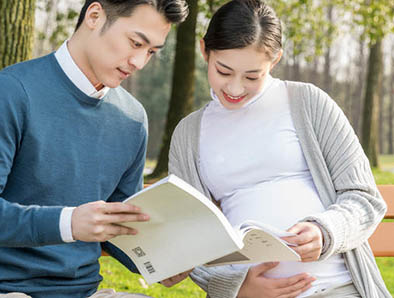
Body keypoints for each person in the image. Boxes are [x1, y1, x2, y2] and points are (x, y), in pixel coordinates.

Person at [0, 1, 188, 297]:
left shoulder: (132, 118)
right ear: (95, 16)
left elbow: (119, 226)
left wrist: (158, 261)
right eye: (135, 43)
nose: (139, 62)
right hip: (2, 290)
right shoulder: (12, 91)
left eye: (151, 51)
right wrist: (68, 223)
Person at [167, 0, 390, 297]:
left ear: (274, 60)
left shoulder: (308, 103)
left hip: (339, 287)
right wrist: (238, 288)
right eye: (223, 71)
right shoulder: (188, 134)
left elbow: (364, 197)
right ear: (204, 51)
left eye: (251, 76)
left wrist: (326, 232)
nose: (234, 88)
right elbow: (189, 235)